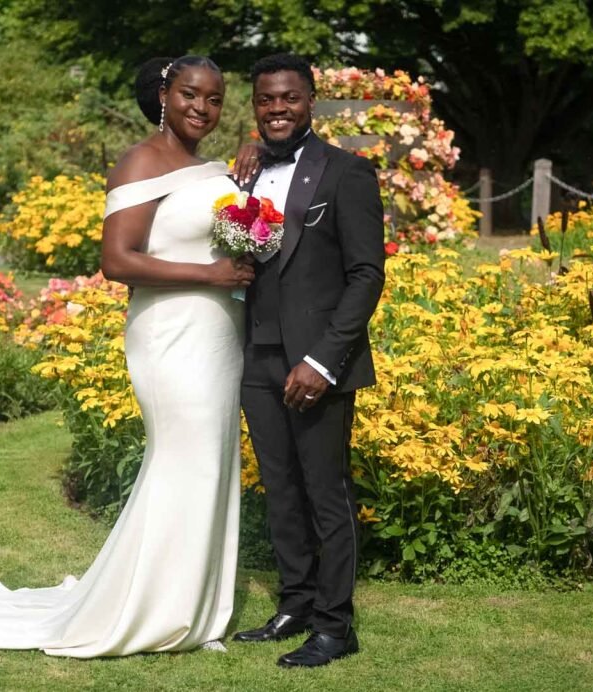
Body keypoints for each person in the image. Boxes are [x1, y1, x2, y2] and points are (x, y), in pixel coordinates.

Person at [0, 55, 254, 658]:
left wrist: (251, 165)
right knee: (184, 462)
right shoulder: (141, 161)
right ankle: (152, 613)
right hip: (170, 336)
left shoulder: (204, 167)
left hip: (219, 336)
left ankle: (189, 609)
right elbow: (117, 261)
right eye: (191, 94)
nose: (202, 108)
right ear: (164, 93)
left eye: (215, 100)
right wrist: (211, 274)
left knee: (210, 467)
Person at [229, 54, 386, 668]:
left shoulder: (346, 173)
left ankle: (335, 625)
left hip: (315, 366)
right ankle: (294, 603)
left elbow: (366, 274)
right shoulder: (242, 175)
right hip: (256, 356)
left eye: (288, 98)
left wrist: (322, 362)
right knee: (281, 490)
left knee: (326, 494)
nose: (276, 109)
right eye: (266, 100)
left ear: (311, 101)